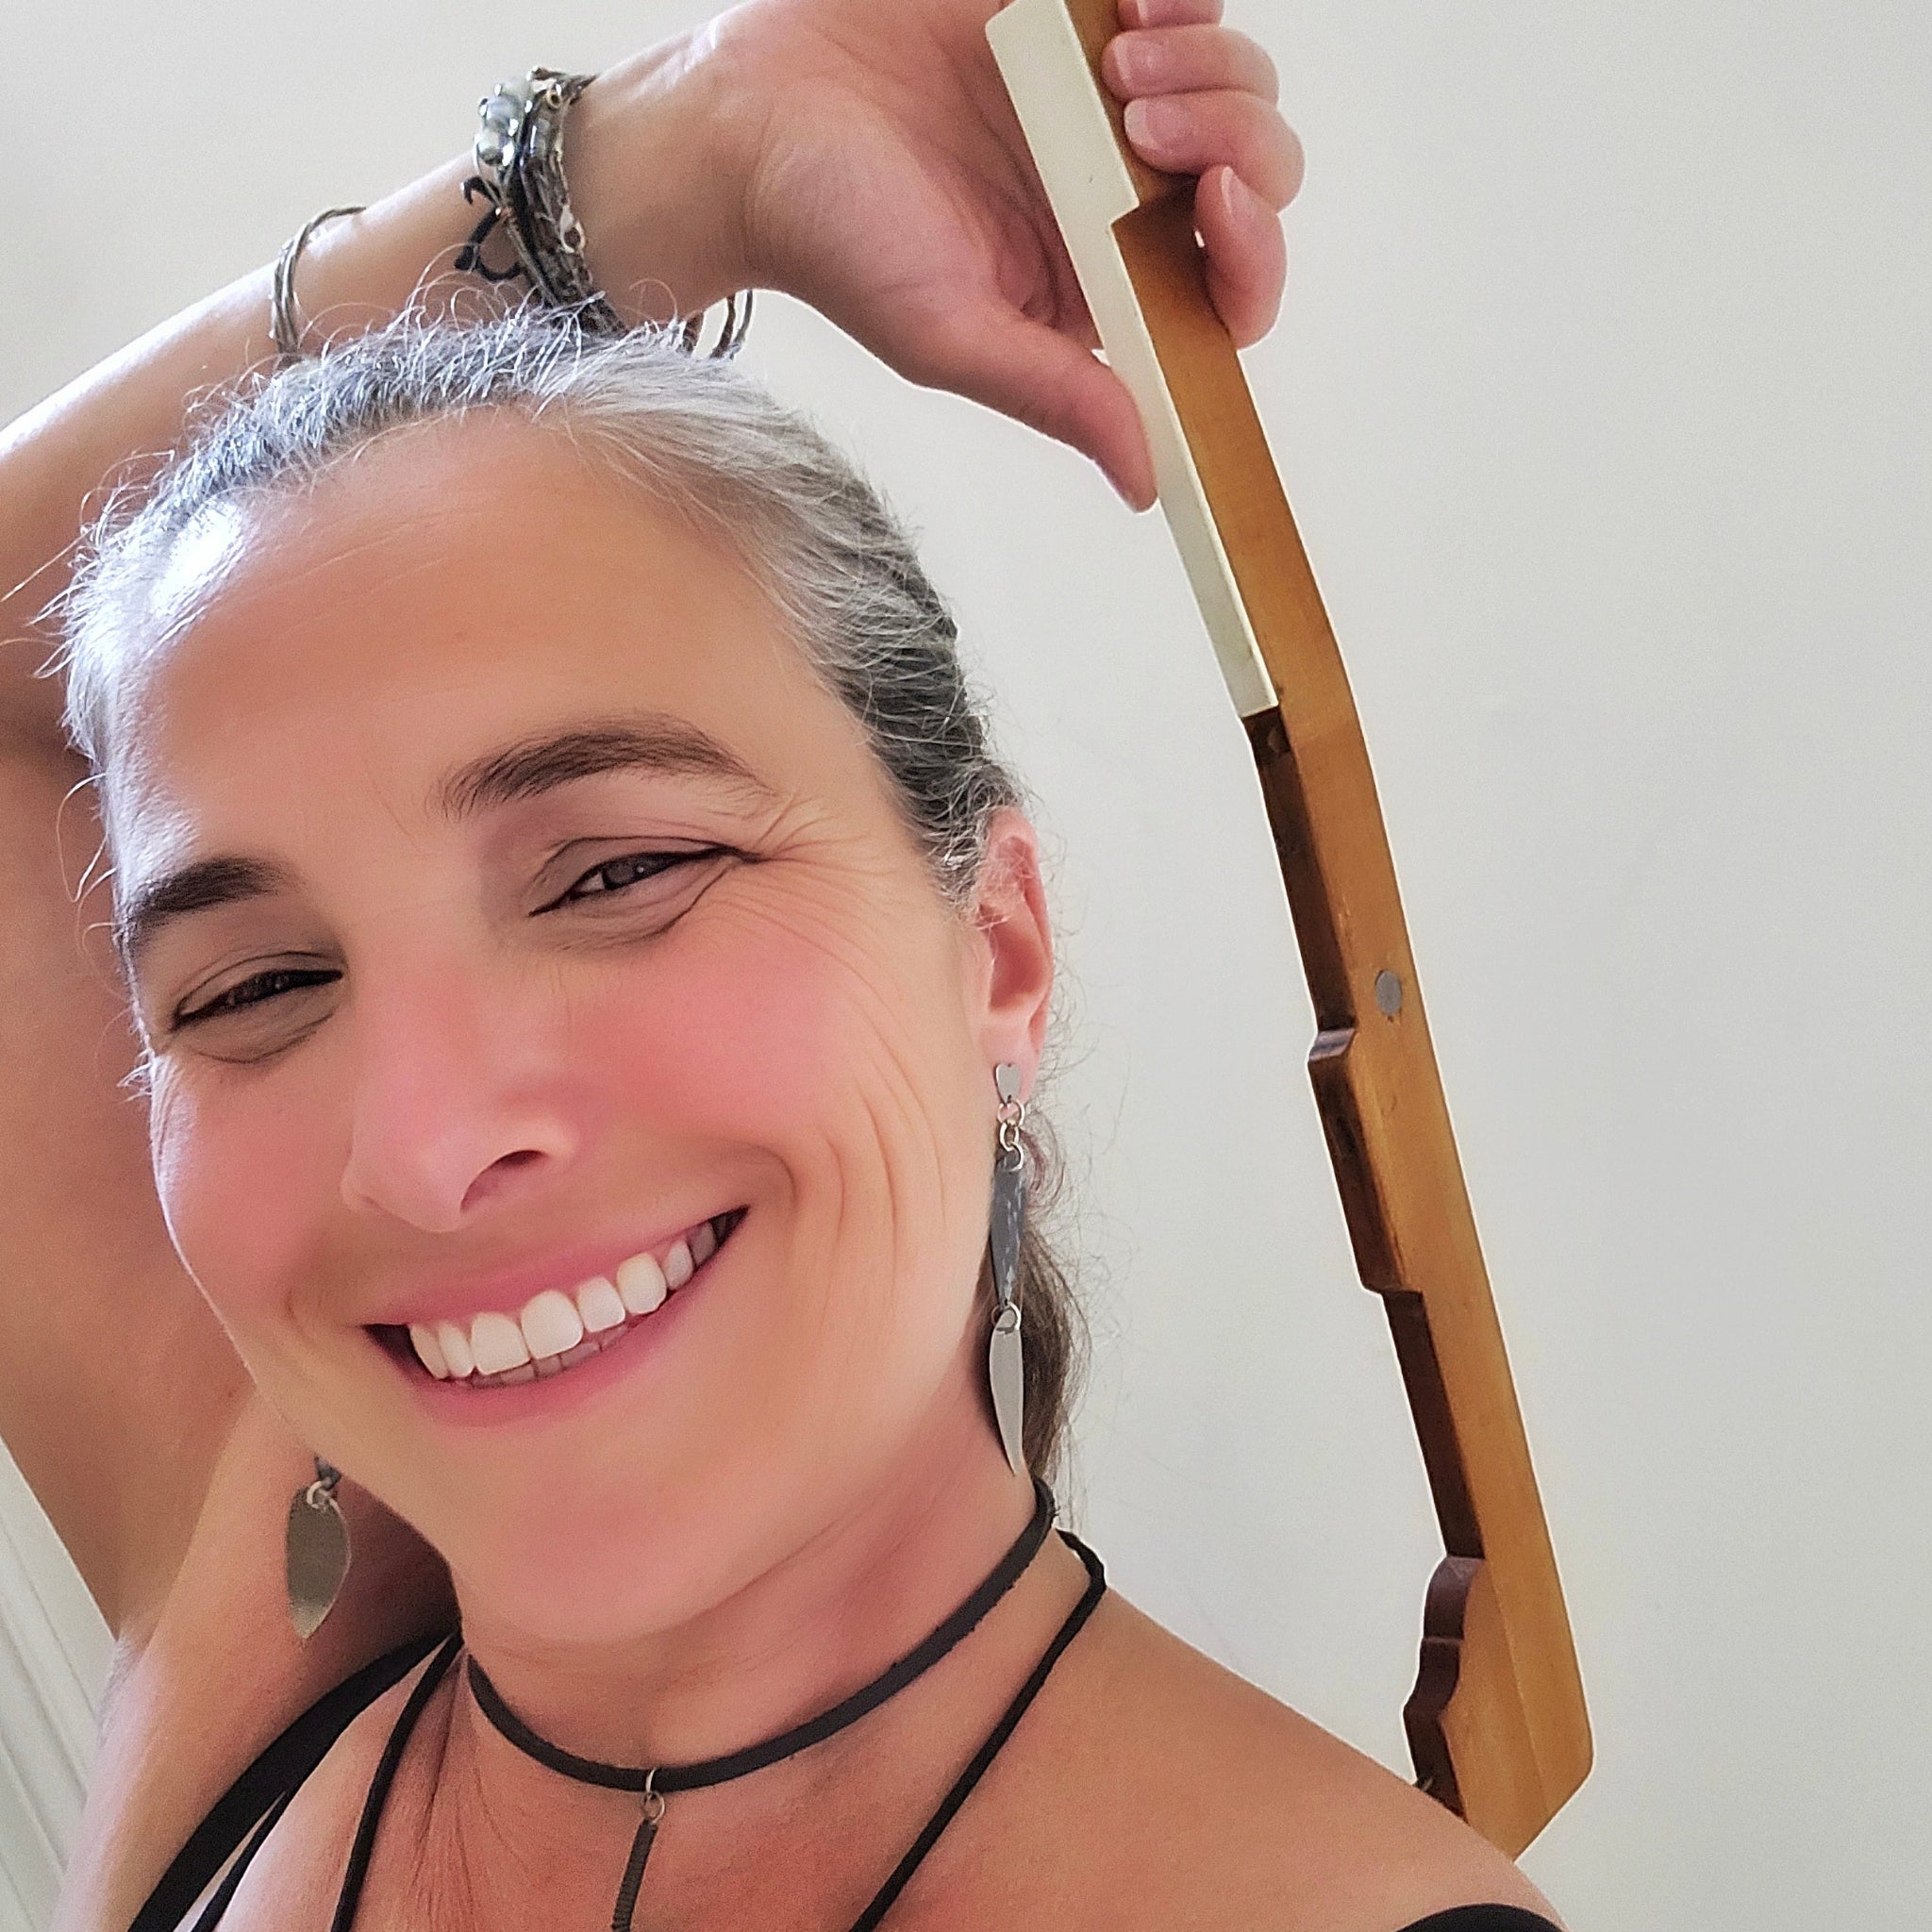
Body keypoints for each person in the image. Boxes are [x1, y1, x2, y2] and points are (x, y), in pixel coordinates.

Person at [0, 1, 1563, 1927]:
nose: (422, 1144)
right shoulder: (248, 1617)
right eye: (250, 987)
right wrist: (679, 154)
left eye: (617, 872)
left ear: (991, 942)